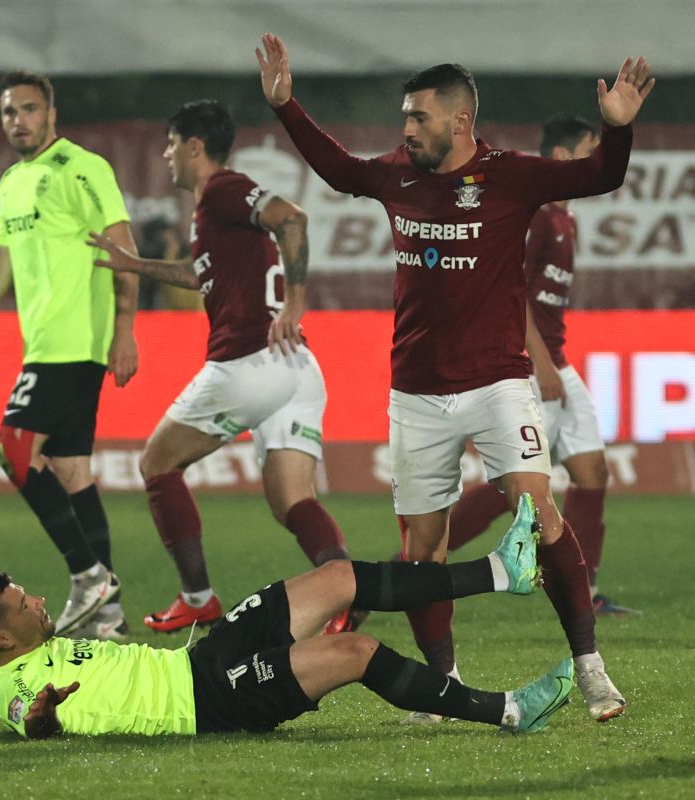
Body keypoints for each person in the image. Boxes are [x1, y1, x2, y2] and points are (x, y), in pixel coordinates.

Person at [256, 33, 654, 722]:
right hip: (415, 392)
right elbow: (339, 170)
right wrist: (286, 106)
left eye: (419, 117)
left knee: (539, 512)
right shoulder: (396, 175)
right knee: (423, 553)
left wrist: (618, 130)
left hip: (499, 382)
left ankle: (590, 666)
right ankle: (442, 685)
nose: (407, 129)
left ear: (460, 120)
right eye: (405, 117)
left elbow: (600, 177)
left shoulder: (511, 176)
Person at [0, 496, 573, 738]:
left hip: (199, 664)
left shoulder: (43, 643)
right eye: (22, 605)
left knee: (337, 578)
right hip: (206, 705)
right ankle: (509, 710)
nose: (38, 601)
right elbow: (31, 721)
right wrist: (41, 715)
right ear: (0, 637)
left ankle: (502, 571)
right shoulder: (14, 686)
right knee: (355, 652)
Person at [88, 100, 359, 635]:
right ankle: (346, 594)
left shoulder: (221, 189)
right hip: (296, 367)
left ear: (194, 146)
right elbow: (200, 274)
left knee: (157, 463)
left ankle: (198, 598)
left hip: (251, 359)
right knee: (292, 500)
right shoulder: (214, 212)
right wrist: (135, 265)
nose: (166, 155)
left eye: (171, 144)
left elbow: (292, 218)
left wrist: (296, 304)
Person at [0, 70, 141, 640]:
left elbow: (123, 249)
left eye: (28, 108)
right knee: (72, 471)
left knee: (13, 448)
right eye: (9, 111)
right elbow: (0, 263)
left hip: (74, 341)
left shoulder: (82, 167)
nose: (18, 120)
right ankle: (109, 619)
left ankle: (88, 576)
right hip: (47, 343)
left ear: (51, 113)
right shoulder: (12, 183)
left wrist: (125, 331)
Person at [447, 114, 635, 617]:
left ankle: (584, 591)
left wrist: (555, 362)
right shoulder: (539, 217)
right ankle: (424, 554)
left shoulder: (566, 220)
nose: (597, 161)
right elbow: (512, 293)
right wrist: (543, 364)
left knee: (592, 471)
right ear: (562, 156)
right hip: (530, 365)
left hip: (556, 360)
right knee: (514, 485)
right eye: (591, 149)